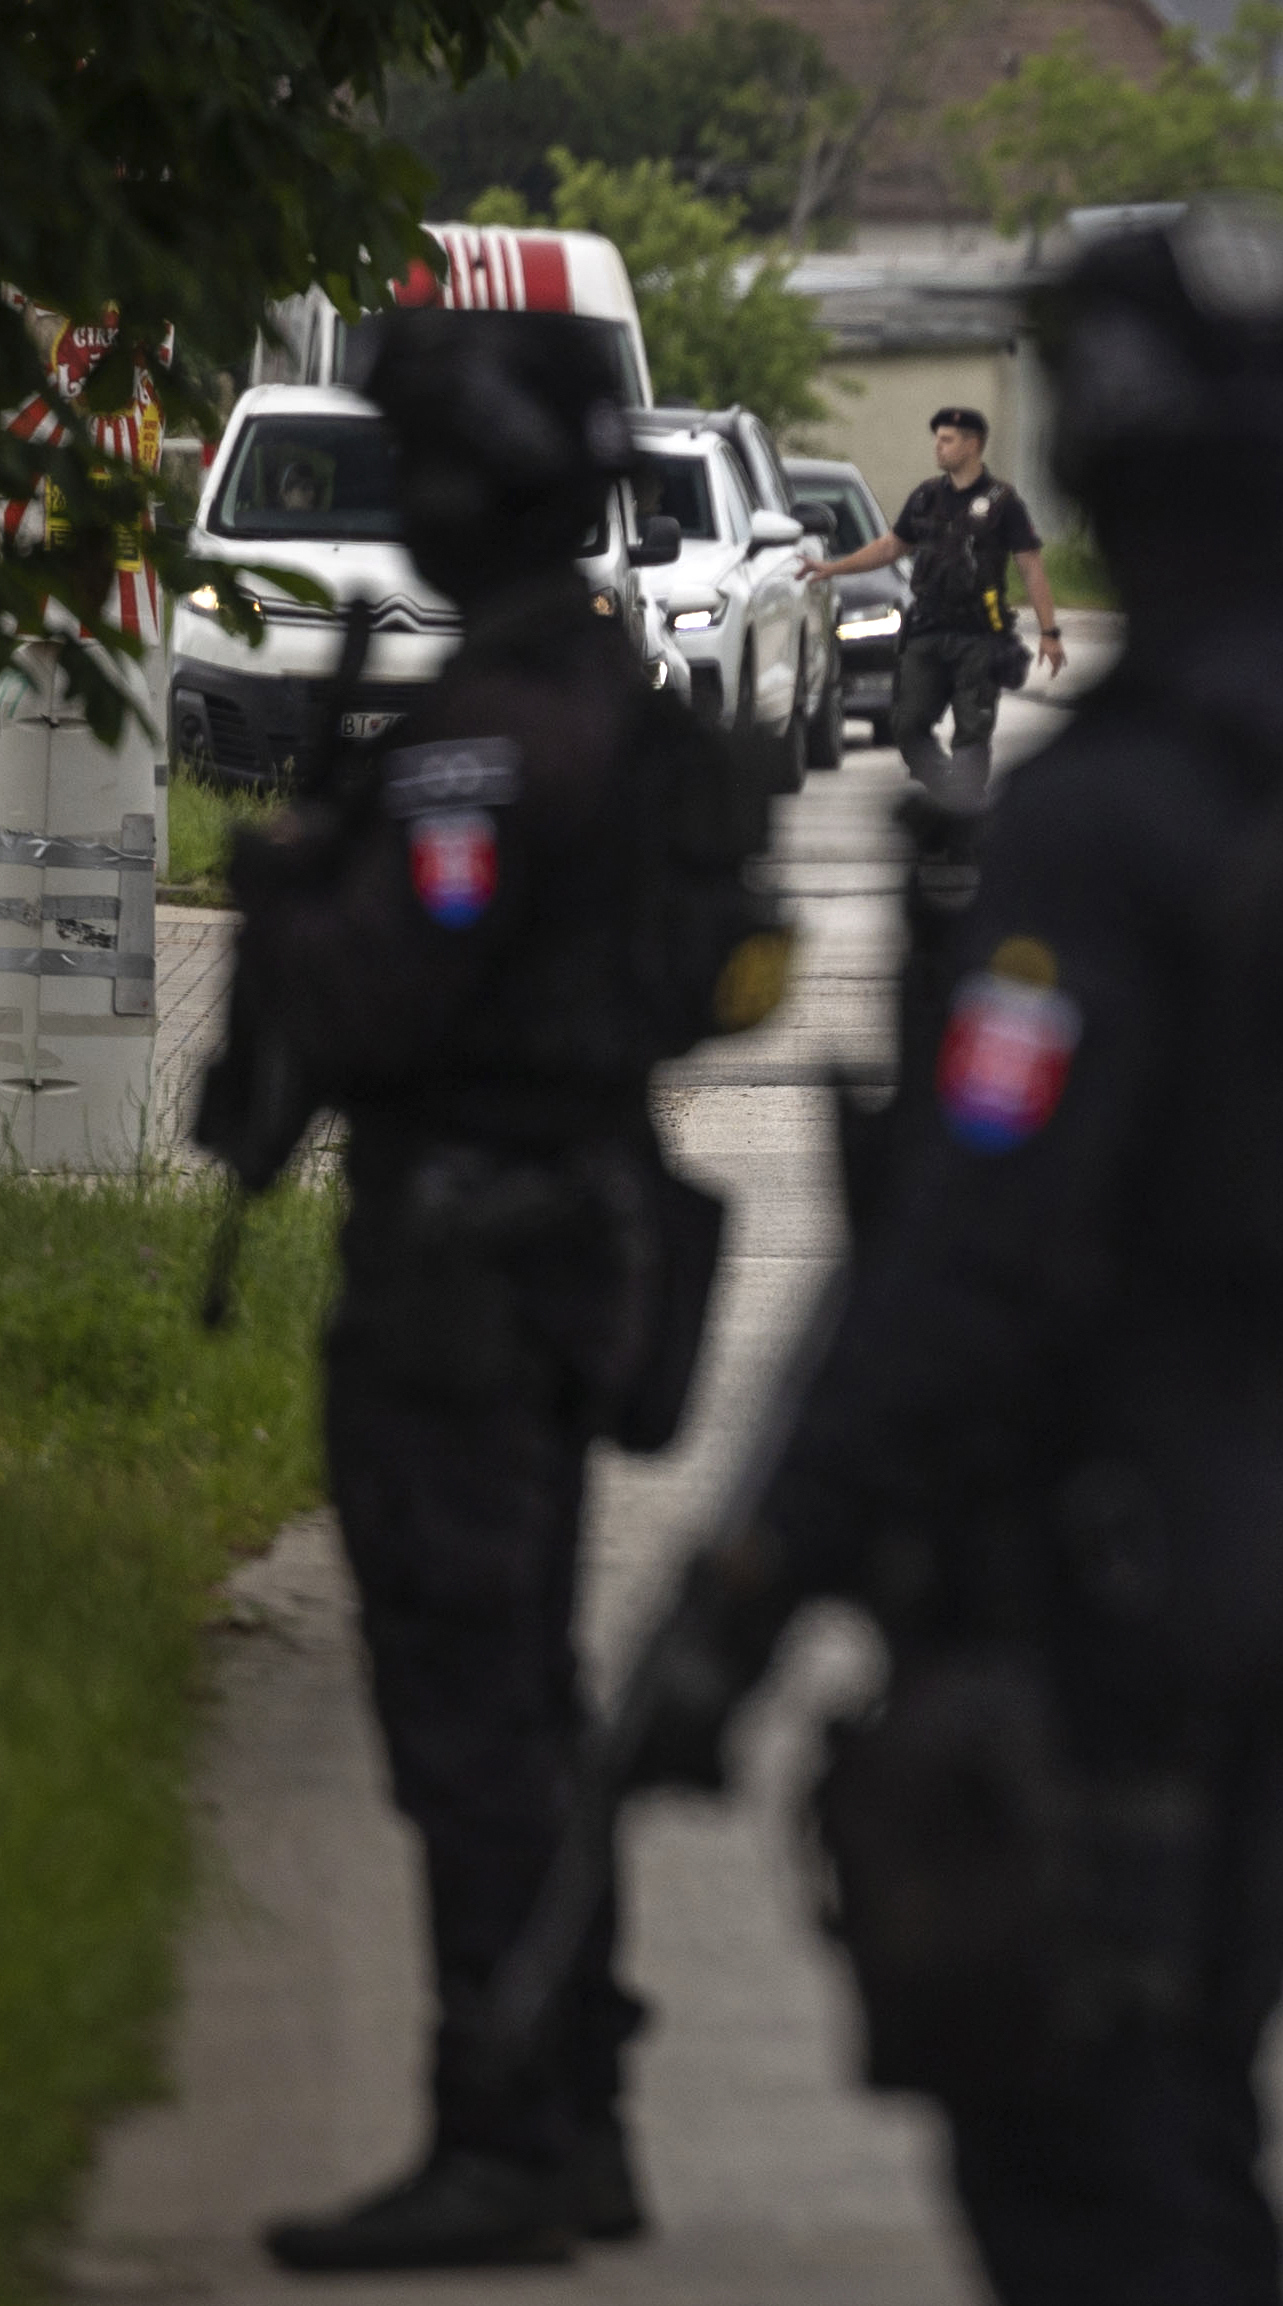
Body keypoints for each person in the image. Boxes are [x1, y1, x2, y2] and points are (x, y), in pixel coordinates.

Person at [618, 198, 1283, 2303]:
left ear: (1086, 455)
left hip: (1083, 1572)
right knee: (1203, 2133)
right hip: (1272, 1542)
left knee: (1094, 2185)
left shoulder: (1101, 822)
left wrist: (755, 1579)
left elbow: (973, 1250)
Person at [220, 306, 778, 2272]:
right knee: (521, 1691)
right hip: (577, 1232)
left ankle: (508, 2129)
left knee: (472, 1712)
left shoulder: (481, 737)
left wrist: (290, 897)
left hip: (464, 1266)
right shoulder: (615, 703)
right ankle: (571, 2105)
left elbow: (387, 990)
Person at [807, 405, 1063, 801]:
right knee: (907, 726)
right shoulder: (926, 497)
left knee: (972, 733)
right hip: (927, 630)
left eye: (947, 440)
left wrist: (1049, 632)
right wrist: (833, 568)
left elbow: (1030, 566)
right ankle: (951, 793)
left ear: (973, 445)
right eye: (938, 439)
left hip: (979, 634)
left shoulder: (1003, 502)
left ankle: (965, 810)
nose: (938, 447)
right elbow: (891, 547)